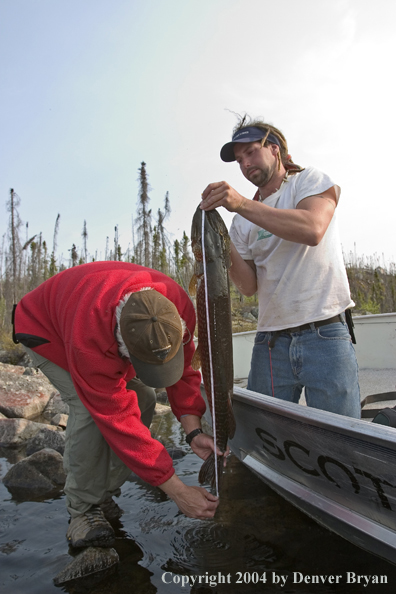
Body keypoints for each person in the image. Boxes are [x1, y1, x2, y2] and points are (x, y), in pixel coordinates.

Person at [13, 261, 221, 549]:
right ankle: (83, 512)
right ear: (121, 345)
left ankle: (101, 493)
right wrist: (177, 490)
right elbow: (116, 418)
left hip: (90, 316)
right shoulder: (90, 338)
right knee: (88, 411)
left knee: (145, 397)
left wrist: (193, 431)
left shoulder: (175, 307)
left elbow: (184, 369)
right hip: (45, 330)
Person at [201, 116, 360, 418]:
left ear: (275, 149)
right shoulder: (240, 221)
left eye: (251, 152)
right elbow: (248, 286)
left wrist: (241, 204)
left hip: (324, 332)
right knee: (266, 435)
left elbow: (313, 229)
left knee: (342, 438)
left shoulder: (308, 181)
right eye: (238, 160)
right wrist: (219, 241)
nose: (245, 164)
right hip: (270, 343)